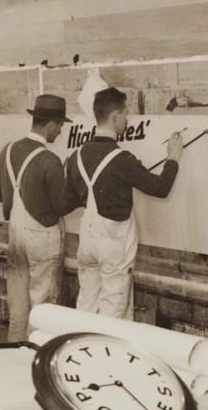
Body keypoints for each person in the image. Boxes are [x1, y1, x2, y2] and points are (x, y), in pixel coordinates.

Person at [65, 87, 184, 320]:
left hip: (87, 242)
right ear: (116, 116)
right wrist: (173, 159)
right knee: (113, 314)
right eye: (126, 113)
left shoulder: (75, 157)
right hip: (113, 245)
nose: (128, 119)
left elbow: (67, 200)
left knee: (86, 306)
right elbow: (160, 188)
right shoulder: (122, 160)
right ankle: (106, 356)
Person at [0, 95, 76, 342]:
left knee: (17, 298)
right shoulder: (49, 160)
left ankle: (14, 348)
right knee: (43, 302)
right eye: (60, 125)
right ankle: (37, 352)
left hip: (16, 234)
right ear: (49, 124)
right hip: (43, 237)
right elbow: (60, 206)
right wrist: (74, 186)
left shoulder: (7, 151)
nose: (60, 131)